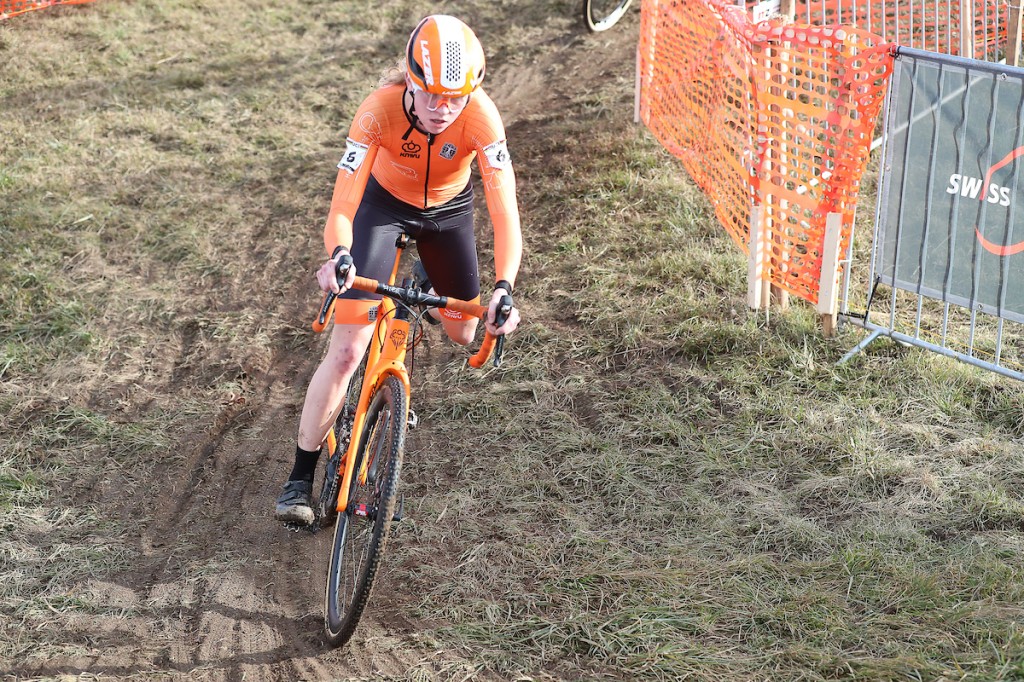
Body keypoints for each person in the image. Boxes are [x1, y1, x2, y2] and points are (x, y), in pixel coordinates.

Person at [275, 14, 523, 524]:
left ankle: (424, 281)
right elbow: (343, 207)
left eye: (453, 97)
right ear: (409, 79)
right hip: (381, 209)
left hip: (448, 213)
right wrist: (340, 256)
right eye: (428, 93)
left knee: (465, 330)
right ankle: (300, 476)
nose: (440, 107)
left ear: (471, 91)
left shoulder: (483, 118)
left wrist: (504, 288)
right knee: (346, 351)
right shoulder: (378, 111)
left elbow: (505, 214)